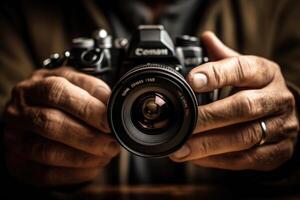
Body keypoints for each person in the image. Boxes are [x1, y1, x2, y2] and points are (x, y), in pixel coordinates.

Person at [1, 0, 300, 190]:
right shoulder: (19, 12)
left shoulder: (281, 8)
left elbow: (291, 123)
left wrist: (285, 136)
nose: (152, 106)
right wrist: (13, 141)